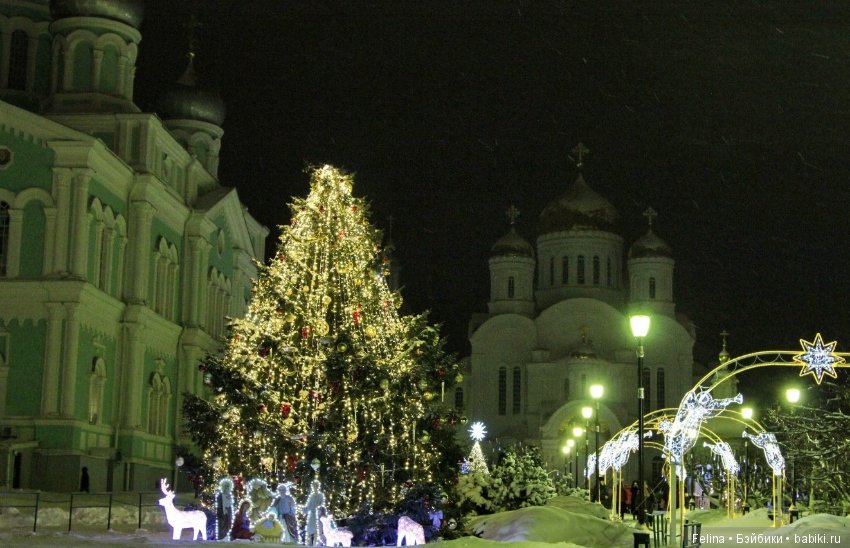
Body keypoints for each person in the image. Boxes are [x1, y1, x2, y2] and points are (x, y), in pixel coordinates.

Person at [304, 479, 326, 545]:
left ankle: (316, 544)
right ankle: (308, 544)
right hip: (312, 515)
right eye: (314, 486)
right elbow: (308, 505)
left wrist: (319, 510)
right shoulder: (311, 496)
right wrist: (305, 509)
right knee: (309, 530)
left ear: (318, 486)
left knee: (317, 530)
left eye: (316, 485)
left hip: (318, 515)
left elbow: (322, 504)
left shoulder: (321, 495)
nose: (315, 487)